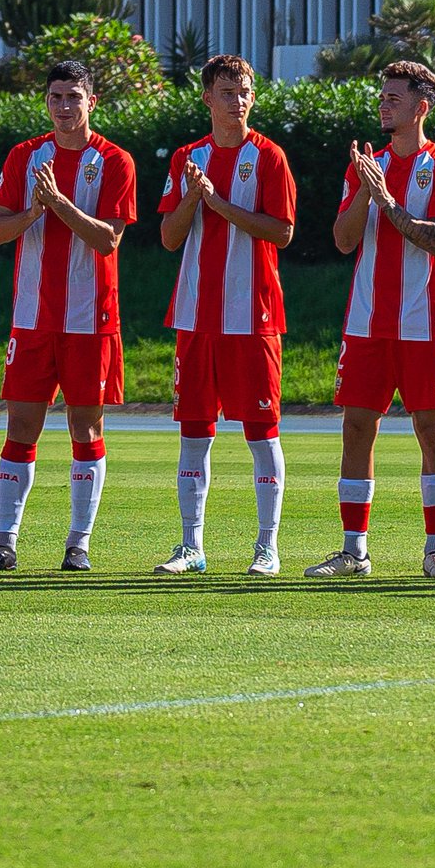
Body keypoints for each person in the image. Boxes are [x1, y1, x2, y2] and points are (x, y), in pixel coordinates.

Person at [304, 62, 435, 580]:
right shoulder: (365, 165)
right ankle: (354, 551)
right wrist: (362, 189)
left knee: (431, 430)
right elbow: (344, 239)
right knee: (356, 429)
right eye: (382, 96)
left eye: (394, 98)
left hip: (426, 322)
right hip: (367, 322)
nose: (383, 104)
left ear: (421, 106)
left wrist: (387, 198)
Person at [0, 61, 137, 572]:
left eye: (73, 97)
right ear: (46, 103)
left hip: (91, 320)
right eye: (56, 97)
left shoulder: (115, 161)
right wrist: (32, 213)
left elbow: (107, 239)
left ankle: (78, 544)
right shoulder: (24, 156)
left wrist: (61, 203)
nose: (64, 107)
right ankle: (5, 543)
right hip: (32, 318)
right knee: (21, 425)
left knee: (85, 429)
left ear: (92, 101)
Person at [154, 54, 296, 576]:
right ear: (207, 98)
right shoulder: (187, 158)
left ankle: (267, 546)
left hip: (253, 317)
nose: (238, 101)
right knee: (194, 433)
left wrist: (219, 204)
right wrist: (193, 196)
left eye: (245, 92)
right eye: (227, 91)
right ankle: (191, 546)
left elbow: (281, 232)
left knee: (262, 434)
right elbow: (170, 237)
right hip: (195, 316)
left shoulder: (270, 158)